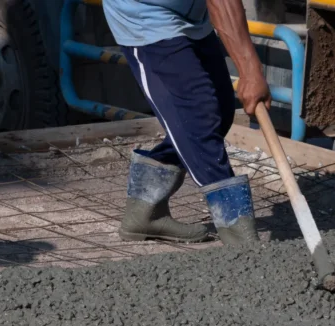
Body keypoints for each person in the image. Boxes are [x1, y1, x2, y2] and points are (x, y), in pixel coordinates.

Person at [103, 0, 271, 246]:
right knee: (198, 118)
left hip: (192, 16)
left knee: (219, 112)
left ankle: (144, 212)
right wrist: (250, 70)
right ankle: (242, 241)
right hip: (147, 15)